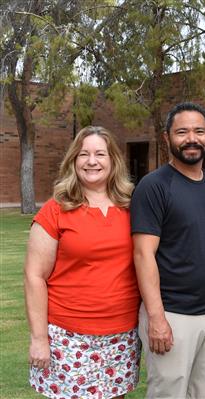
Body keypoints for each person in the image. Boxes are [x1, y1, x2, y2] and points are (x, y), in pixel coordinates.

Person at [24, 126, 141, 399]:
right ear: (73, 161)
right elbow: (34, 276)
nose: (92, 161)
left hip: (121, 334)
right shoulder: (56, 209)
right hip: (68, 336)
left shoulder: (132, 207)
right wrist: (39, 338)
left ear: (113, 161)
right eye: (83, 154)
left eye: (100, 154)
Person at [130, 102, 205, 399]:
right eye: (182, 132)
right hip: (172, 315)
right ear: (167, 138)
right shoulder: (153, 187)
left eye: (199, 131)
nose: (192, 138)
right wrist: (157, 318)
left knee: (201, 394)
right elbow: (143, 255)